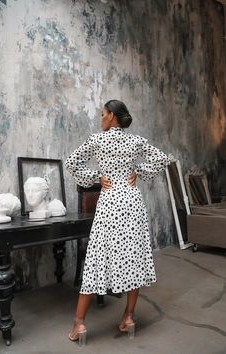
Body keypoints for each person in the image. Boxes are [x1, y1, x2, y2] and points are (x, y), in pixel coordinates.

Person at [65, 99, 174, 345]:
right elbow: (162, 159)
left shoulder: (97, 140)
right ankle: (128, 317)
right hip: (132, 203)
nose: (100, 118)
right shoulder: (136, 141)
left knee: (95, 260)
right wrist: (140, 173)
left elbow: (72, 163)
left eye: (102, 114)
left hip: (110, 203)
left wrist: (96, 177)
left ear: (112, 116)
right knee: (133, 257)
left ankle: (79, 323)